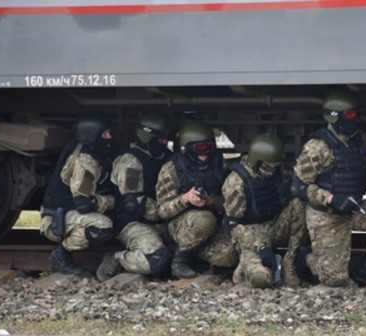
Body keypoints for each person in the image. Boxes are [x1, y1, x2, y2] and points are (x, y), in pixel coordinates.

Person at [292, 91, 366, 287]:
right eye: (349, 116)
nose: (354, 120)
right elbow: (299, 187)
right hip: (327, 217)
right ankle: (306, 256)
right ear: (335, 117)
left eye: (355, 115)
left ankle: (364, 267)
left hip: (354, 209)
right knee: (335, 279)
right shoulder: (317, 148)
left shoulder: (359, 140)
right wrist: (331, 199)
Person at [96, 111, 175, 282]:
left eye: (166, 139)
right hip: (135, 223)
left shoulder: (167, 158)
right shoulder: (130, 162)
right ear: (147, 138)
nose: (164, 143)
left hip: (164, 222)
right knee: (157, 261)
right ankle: (118, 258)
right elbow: (135, 204)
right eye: (160, 139)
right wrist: (168, 209)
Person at [222, 133, 308, 288]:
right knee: (261, 279)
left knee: (299, 204)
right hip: (251, 234)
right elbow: (234, 227)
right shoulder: (236, 182)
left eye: (275, 166)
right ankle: (243, 269)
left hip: (274, 225)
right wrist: (260, 246)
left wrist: (288, 191)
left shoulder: (277, 172)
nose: (271, 171)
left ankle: (290, 261)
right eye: (267, 167)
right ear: (256, 161)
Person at [156, 121, 238, 278]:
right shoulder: (171, 168)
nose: (205, 154)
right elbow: (161, 211)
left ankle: (196, 254)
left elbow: (230, 202)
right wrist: (185, 199)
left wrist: (210, 201)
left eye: (209, 148)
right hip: (181, 225)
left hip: (212, 224)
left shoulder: (219, 164)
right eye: (200, 149)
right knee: (204, 219)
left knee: (230, 255)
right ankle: (179, 260)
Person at [40, 111, 115, 274]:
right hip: (56, 220)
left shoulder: (89, 151)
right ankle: (61, 254)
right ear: (92, 135)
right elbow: (84, 204)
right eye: (105, 133)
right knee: (102, 226)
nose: (109, 137)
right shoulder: (85, 161)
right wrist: (111, 201)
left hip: (65, 213)